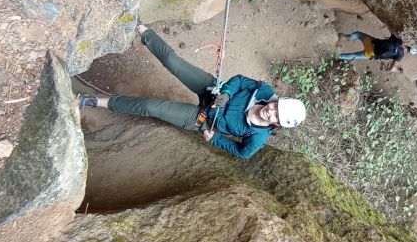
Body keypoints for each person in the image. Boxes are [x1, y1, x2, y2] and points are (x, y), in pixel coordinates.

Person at [77, 23, 306, 159]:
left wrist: (215, 139)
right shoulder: (263, 91)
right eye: (276, 107)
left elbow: (242, 152)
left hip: (202, 120)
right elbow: (240, 81)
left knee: (149, 107)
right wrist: (224, 93)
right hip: (211, 92)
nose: (271, 111)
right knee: (173, 62)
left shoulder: (257, 137)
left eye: (276, 116)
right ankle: (142, 28)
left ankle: (95, 102)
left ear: (277, 124)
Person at [337, 31, 417, 72]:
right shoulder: (400, 55)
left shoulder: (399, 40)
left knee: (358, 34)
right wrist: (399, 70)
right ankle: (338, 56)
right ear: (410, 52)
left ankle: (345, 37)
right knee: (354, 55)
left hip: (372, 42)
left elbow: (392, 31)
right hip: (372, 53)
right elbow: (392, 68)